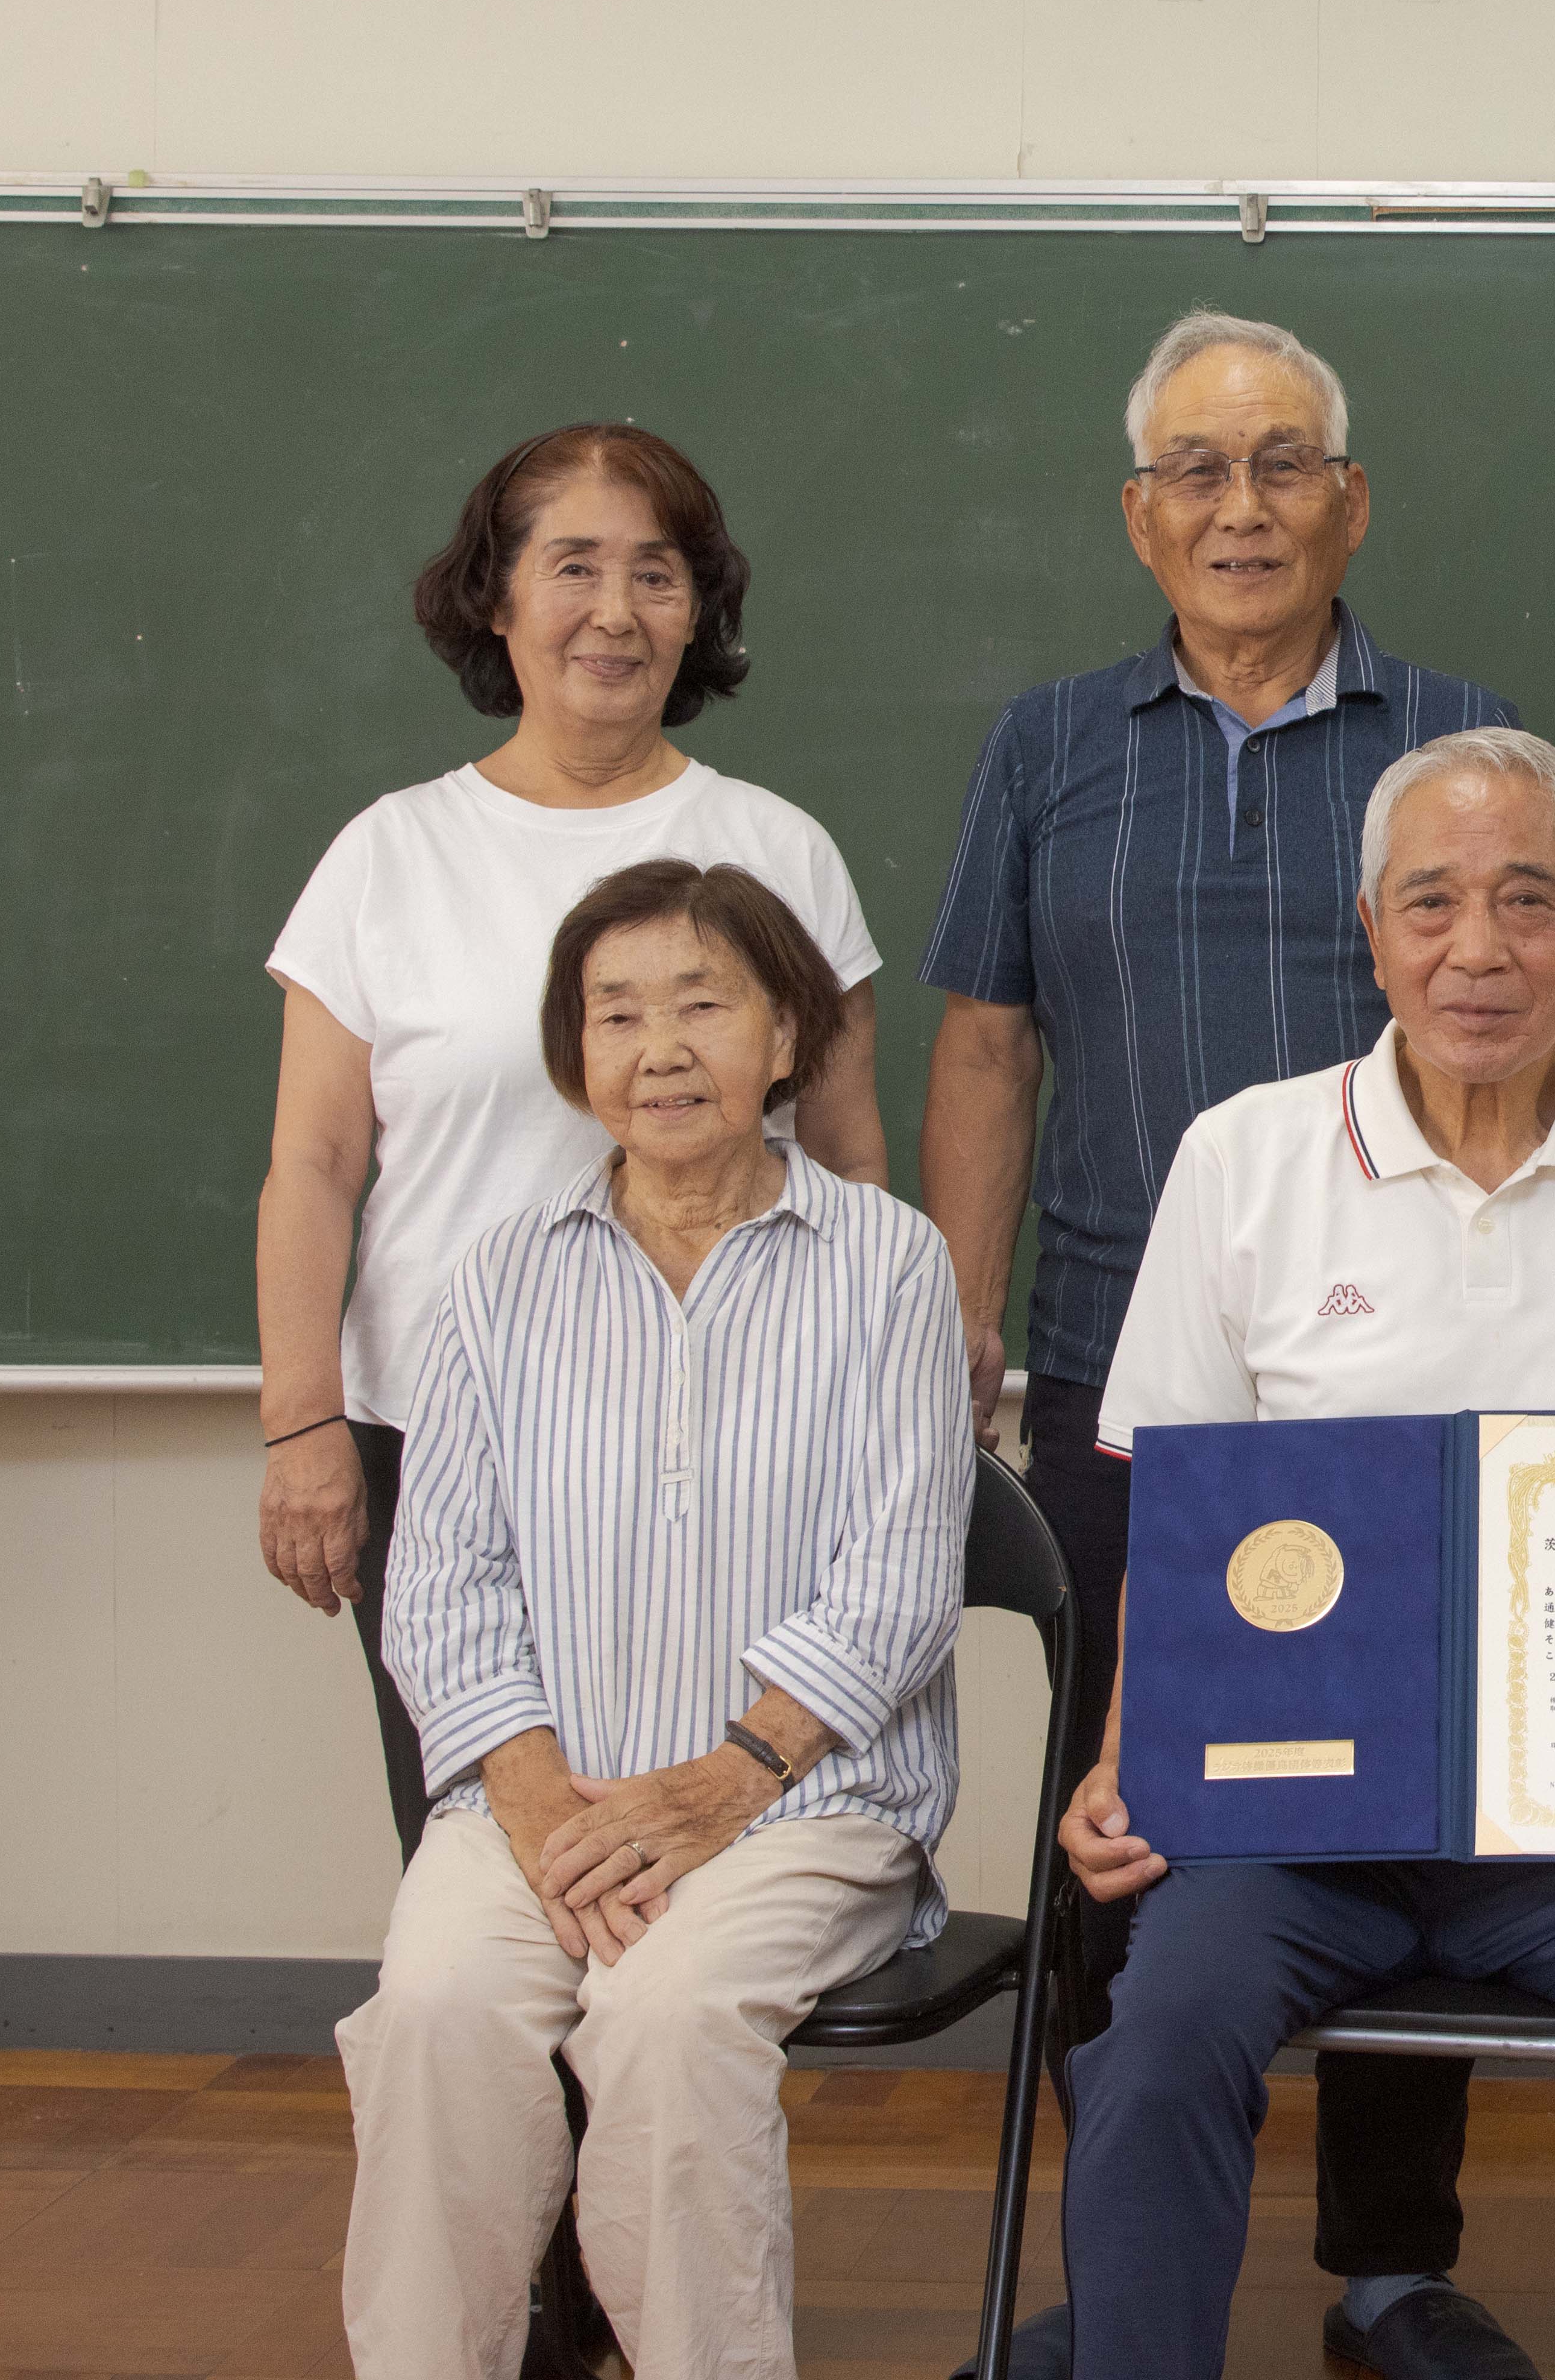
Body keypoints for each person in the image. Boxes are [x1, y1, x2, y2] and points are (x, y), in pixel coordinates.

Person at [1049, 728, 1555, 2380]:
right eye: (1431, 903)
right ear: (1371, 927)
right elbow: (1183, 1525)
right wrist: (1133, 1747)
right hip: (1299, 1820)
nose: (1476, 950)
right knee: (1152, 2040)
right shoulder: (1247, 1157)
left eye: (1525, 902)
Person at [915, 310, 1528, 2375]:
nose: (1239, 503)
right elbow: (989, 1048)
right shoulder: (1047, 746)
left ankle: (1388, 2267)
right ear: (1138, 515)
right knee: (1134, 1814)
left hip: (1406, 1390)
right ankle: (1129, 2262)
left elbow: (1522, 1022)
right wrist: (957, 1352)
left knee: (1397, 1797)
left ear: (1348, 503)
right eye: (1196, 467)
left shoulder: (1457, 736)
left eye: (1281, 463)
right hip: (1119, 1382)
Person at [336, 861, 970, 2380]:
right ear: (573, 1054)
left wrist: (723, 1783)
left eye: (701, 1004)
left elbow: (897, 1580)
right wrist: (540, 1795)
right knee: (434, 2006)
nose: (658, 1048)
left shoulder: (887, 1264)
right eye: (614, 1013)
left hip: (803, 1803)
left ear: (786, 1038)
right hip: (542, 1801)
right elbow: (439, 1579)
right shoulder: (498, 1279)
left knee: (670, 2020)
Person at [260, 421, 885, 1862]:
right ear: (495, 596)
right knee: (490, 1863)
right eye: (573, 567)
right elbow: (314, 1167)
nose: (616, 612)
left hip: (736, 1437)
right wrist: (304, 1425)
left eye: (657, 574)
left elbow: (852, 1161)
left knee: (700, 1857)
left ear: (700, 608)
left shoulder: (777, 849)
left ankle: (668, 2099)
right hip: (444, 1439)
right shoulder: (388, 855)